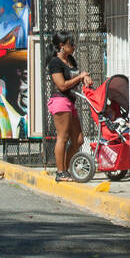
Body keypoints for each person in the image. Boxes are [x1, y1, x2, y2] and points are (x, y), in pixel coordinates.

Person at [47, 31, 93, 182]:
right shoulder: (55, 63)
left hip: (71, 102)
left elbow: (77, 75)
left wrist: (84, 77)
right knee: (63, 137)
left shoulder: (71, 60)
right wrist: (80, 77)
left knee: (78, 139)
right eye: (70, 44)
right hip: (60, 101)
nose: (74, 47)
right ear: (61, 46)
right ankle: (60, 172)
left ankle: (67, 169)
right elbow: (61, 85)